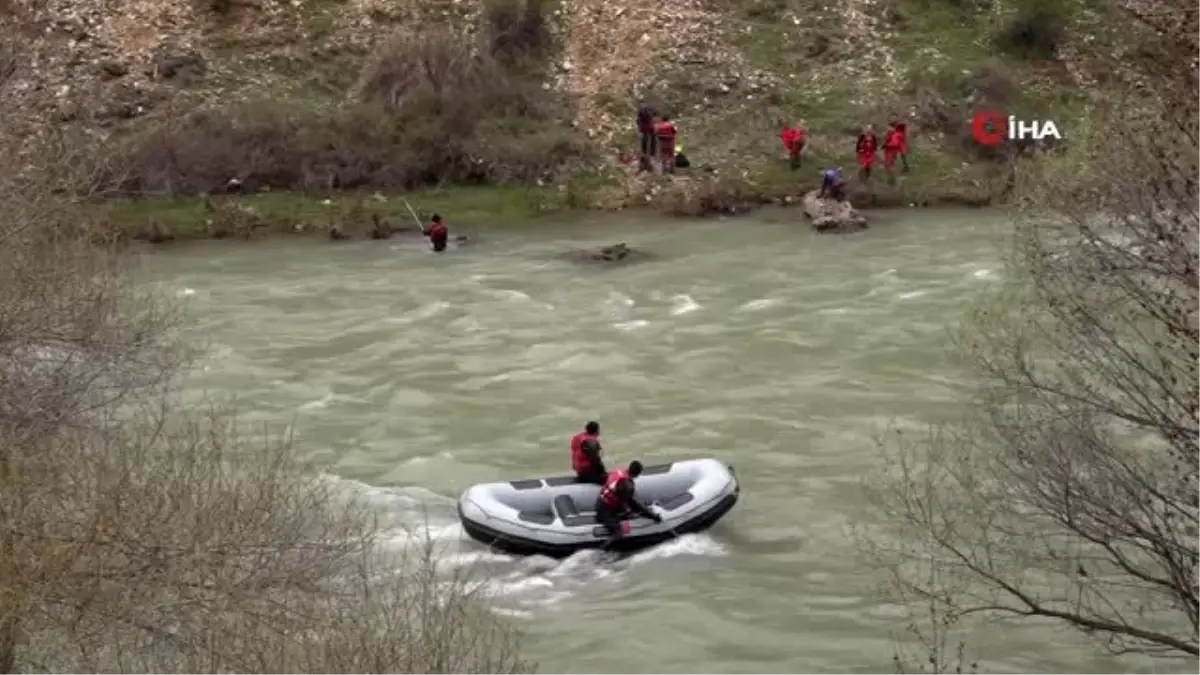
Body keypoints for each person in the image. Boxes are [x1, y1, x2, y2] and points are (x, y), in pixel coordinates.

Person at [595, 461, 662, 543]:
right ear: (638, 474)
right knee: (619, 532)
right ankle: (601, 552)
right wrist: (654, 516)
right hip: (605, 511)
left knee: (625, 509)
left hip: (600, 502)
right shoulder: (628, 486)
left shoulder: (619, 472)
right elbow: (636, 505)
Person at [636, 102, 656, 173]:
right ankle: (650, 159)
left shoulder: (640, 113)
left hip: (642, 130)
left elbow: (638, 121)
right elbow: (651, 122)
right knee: (651, 144)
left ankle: (643, 162)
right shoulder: (649, 113)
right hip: (649, 130)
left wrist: (639, 127)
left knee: (643, 145)